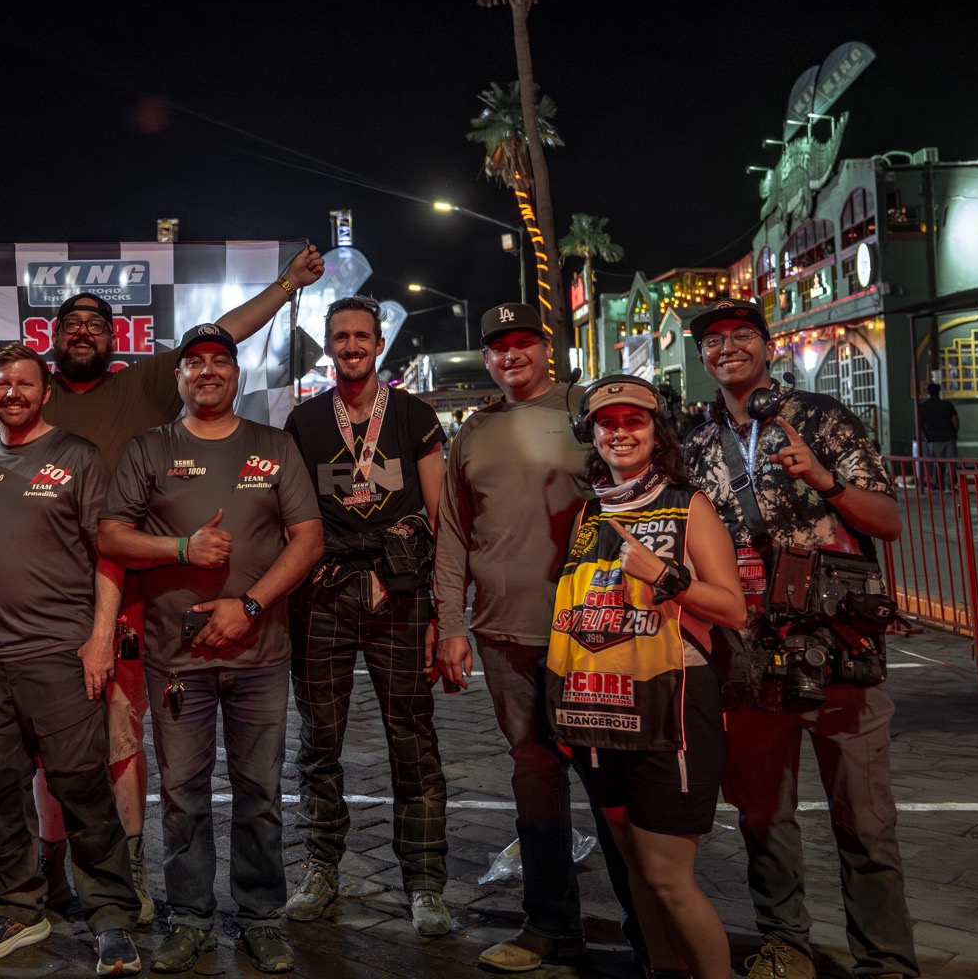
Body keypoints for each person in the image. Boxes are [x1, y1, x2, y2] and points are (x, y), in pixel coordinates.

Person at [0, 241, 325, 918]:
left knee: (120, 740)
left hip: (120, 595)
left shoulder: (145, 384)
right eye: (71, 324)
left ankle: (129, 872)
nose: (83, 332)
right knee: (47, 751)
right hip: (33, 614)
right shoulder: (17, 386)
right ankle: (54, 863)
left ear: (113, 339)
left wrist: (286, 284)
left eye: (97, 324)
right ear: (52, 342)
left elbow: (225, 334)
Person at [681, 299, 916, 979]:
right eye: (713, 339)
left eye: (741, 335)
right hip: (746, 653)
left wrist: (825, 480)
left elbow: (887, 521)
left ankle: (886, 962)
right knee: (761, 813)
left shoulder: (822, 417)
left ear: (766, 345)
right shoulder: (695, 443)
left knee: (865, 819)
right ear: (702, 357)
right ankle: (786, 942)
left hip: (839, 644)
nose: (727, 347)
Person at [98, 324, 323, 975]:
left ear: (236, 373)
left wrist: (248, 606)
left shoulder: (273, 445)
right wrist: (181, 548)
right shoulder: (150, 447)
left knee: (260, 794)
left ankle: (261, 919)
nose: (206, 371)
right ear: (178, 378)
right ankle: (190, 919)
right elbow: (111, 536)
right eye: (193, 362)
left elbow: (309, 540)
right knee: (182, 795)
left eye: (219, 361)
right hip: (177, 661)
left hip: (260, 655)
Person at [432, 303, 636, 974]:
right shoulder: (474, 431)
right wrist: (452, 626)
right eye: (499, 347)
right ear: (486, 357)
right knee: (534, 772)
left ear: (547, 348)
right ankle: (551, 925)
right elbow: (454, 534)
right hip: (503, 633)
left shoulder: (588, 411)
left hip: (592, 633)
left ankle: (650, 928)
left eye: (524, 342)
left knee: (610, 778)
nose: (512, 356)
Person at [546, 377, 747, 979]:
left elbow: (733, 608)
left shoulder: (689, 505)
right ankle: (665, 970)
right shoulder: (588, 512)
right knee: (634, 860)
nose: (620, 433)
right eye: (607, 423)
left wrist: (663, 574)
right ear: (591, 435)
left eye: (634, 421)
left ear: (658, 433)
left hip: (672, 706)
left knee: (667, 874)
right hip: (596, 708)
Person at [0, 342, 143, 974]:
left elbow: (109, 551)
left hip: (59, 654)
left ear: (46, 391)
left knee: (82, 786)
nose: (13, 393)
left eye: (25, 384)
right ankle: (19, 906)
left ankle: (111, 917)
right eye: (2, 383)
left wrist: (100, 637)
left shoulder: (77, 456)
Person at [279, 296, 451, 935]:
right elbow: (290, 517)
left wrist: (443, 613)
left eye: (362, 336)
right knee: (318, 738)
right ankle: (321, 868)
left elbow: (441, 519)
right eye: (341, 337)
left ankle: (425, 882)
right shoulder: (303, 421)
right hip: (323, 593)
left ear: (380, 344)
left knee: (413, 738)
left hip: (400, 591)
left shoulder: (414, 415)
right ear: (329, 346)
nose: (351, 346)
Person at [915, 382, 960, 489]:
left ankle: (938, 484)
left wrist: (927, 437)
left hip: (933, 438)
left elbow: (920, 425)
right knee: (951, 463)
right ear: (939, 391)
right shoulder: (947, 405)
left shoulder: (923, 407)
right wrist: (955, 434)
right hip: (949, 437)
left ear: (928, 392)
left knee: (937, 463)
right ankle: (949, 484)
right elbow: (955, 421)